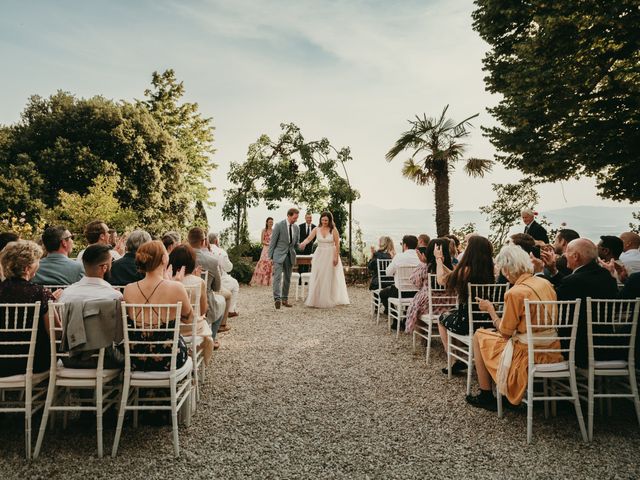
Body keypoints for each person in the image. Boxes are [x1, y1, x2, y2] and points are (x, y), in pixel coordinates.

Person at [466, 245, 562, 410]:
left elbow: (505, 333)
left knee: (479, 335)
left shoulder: (515, 293)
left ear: (507, 269)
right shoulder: (545, 283)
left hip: (527, 354)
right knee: (489, 335)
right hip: (552, 350)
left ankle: (486, 394)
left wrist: (490, 310)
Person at [122, 241, 193, 372]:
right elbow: (189, 319)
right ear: (164, 259)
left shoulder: (128, 289)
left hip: (136, 358)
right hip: (169, 358)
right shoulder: (176, 287)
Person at [436, 235, 495, 375]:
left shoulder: (465, 270)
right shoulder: (491, 270)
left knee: (442, 318)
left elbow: (441, 280)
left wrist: (438, 260)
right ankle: (459, 358)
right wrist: (444, 265)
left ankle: (452, 360)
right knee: (451, 315)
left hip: (467, 323)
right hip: (487, 322)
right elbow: (453, 275)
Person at [59, 244, 124, 369]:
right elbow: (119, 336)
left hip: (70, 358)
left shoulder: (67, 293)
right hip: (105, 359)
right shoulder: (114, 296)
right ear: (105, 267)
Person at [0, 240, 59, 377]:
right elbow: (55, 333)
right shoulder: (39, 293)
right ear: (27, 268)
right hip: (33, 363)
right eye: (37, 261)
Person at [168, 244, 216, 360]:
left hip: (171, 329)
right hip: (192, 329)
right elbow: (203, 310)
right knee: (205, 322)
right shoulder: (199, 282)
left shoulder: (167, 281)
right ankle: (194, 355)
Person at [299, 211, 350, 308]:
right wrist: (303, 243)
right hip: (319, 254)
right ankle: (317, 298)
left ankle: (330, 297)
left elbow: (337, 244)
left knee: (329, 276)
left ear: (330, 220)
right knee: (319, 275)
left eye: (326, 220)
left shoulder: (333, 230)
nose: (324, 222)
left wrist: (336, 257)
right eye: (322, 220)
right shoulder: (316, 229)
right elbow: (309, 238)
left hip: (331, 254)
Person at [188, 227, 231, 333]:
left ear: (188, 240)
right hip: (205, 303)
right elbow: (217, 287)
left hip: (183, 299)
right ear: (203, 241)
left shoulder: (179, 256)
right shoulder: (212, 261)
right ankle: (212, 337)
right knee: (221, 302)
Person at [405, 238, 453, 333]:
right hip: (450, 304)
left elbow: (416, 283)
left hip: (429, 305)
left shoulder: (425, 267)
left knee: (414, 308)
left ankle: (424, 334)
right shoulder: (452, 268)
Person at [378, 235, 419, 316]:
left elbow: (388, 273)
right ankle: (405, 315)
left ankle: (394, 314)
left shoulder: (399, 257)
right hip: (416, 293)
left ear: (405, 245)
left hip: (399, 292)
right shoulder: (420, 257)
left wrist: (394, 261)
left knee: (382, 293)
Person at [269, 208, 301, 309]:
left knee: (287, 278)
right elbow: (272, 242)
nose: (296, 220)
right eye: (294, 218)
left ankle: (285, 299)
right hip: (278, 255)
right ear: (289, 215)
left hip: (290, 255)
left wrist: (301, 246)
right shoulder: (279, 225)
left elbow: (296, 244)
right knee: (277, 278)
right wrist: (270, 257)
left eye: (297, 218)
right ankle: (277, 299)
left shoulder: (296, 228)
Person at [208, 232, 240, 317]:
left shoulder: (204, 250)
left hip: (205, 280)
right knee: (235, 283)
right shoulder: (221, 252)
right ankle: (231, 310)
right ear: (216, 241)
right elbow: (228, 268)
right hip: (219, 281)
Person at [250, 217, 274, 286]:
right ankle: (260, 280)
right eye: (269, 222)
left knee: (269, 263)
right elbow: (262, 241)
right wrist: (268, 244)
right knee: (263, 263)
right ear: (267, 223)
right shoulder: (264, 230)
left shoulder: (274, 231)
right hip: (266, 248)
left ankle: (268, 281)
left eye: (272, 222)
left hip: (271, 249)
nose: (271, 223)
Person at [298, 212, 316, 277]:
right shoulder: (300, 226)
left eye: (310, 218)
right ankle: (300, 279)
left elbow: (314, 238)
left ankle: (306, 279)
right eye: (308, 217)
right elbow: (298, 237)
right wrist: (301, 244)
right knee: (300, 264)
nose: (309, 219)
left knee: (307, 264)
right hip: (301, 248)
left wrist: (310, 243)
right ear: (305, 218)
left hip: (309, 248)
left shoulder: (314, 227)